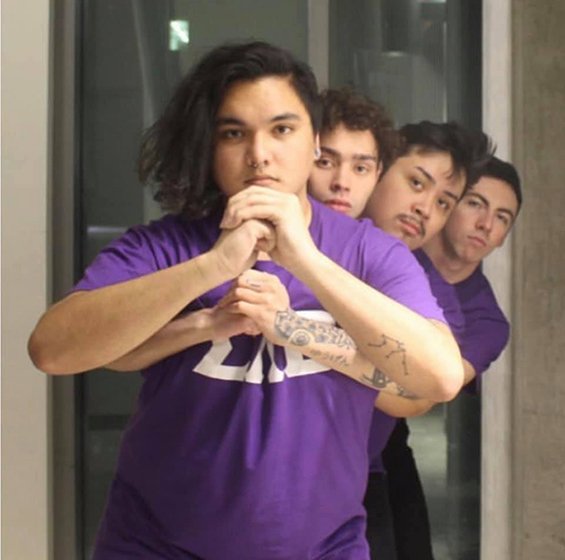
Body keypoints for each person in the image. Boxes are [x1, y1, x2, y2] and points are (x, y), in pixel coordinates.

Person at [28, 42, 463, 560]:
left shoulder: (372, 253)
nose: (260, 154)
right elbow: (51, 350)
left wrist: (304, 264)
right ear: (209, 146)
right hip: (152, 545)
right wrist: (214, 273)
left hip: (322, 548)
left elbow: (438, 378)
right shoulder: (163, 245)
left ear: (313, 142)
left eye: (282, 130)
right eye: (234, 133)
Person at [360, 121, 495, 560]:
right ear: (378, 168)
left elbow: (426, 390)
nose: (424, 208)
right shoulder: (309, 232)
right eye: (415, 183)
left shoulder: (431, 294)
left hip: (358, 479)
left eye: (442, 202)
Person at [378, 155, 522, 560]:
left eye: (502, 217)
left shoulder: (487, 321)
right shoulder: (393, 248)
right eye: (476, 203)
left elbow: (432, 387)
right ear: (450, 204)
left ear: (504, 236)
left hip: (384, 439)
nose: (486, 224)